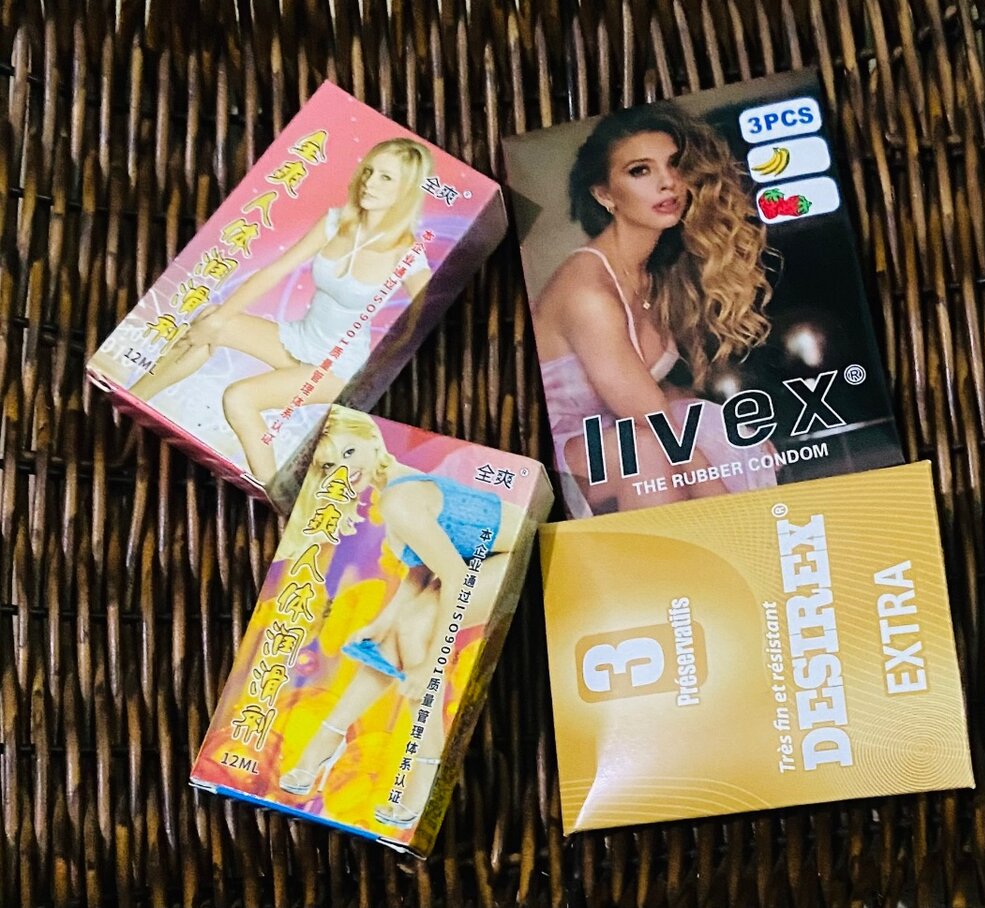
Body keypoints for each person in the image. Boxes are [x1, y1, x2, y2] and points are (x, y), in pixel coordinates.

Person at [131, 138, 435, 483]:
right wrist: (219, 319)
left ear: (406, 191)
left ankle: (272, 490)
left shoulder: (407, 254)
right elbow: (275, 271)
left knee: (239, 398)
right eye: (369, 171)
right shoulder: (336, 222)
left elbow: (425, 318)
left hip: (336, 369)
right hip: (299, 339)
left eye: (385, 177)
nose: (369, 182)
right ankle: (136, 397)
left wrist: (380, 372)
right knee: (212, 320)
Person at [274, 409, 522, 829]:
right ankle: (328, 741)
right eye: (330, 465)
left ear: (373, 440)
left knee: (415, 633)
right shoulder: (396, 487)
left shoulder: (398, 499)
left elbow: (455, 577)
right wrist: (382, 622)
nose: (344, 469)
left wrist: (431, 665)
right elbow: (422, 568)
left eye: (349, 452)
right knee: (388, 639)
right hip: (484, 561)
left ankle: (427, 766)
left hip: (522, 557)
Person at [531, 103, 779, 517]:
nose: (667, 182)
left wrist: (734, 439)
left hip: (623, 435)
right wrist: (729, 515)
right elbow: (656, 424)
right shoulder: (588, 292)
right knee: (647, 451)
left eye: (675, 165)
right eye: (640, 171)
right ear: (604, 194)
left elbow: (655, 397)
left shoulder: (654, 272)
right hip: (557, 457)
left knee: (709, 431)